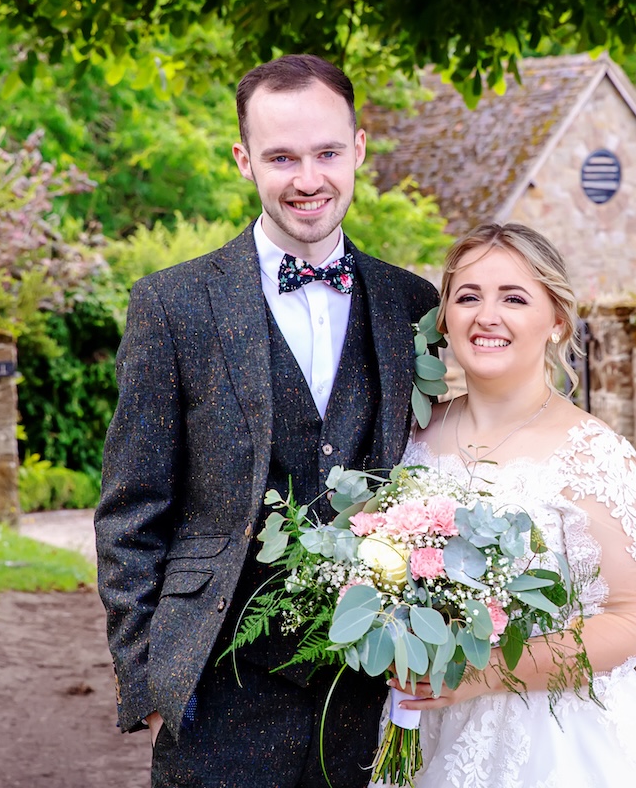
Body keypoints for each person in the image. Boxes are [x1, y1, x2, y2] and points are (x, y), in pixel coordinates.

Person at [94, 53, 438, 788]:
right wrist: (150, 683)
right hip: (216, 687)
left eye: (326, 153)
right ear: (244, 160)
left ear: (360, 150)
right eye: (282, 157)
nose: (307, 179)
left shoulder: (410, 304)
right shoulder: (172, 305)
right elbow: (131, 509)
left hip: (368, 689)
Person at [387, 222, 636, 787]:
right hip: (414, 727)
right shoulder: (408, 439)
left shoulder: (594, 455)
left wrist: (484, 672)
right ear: (444, 317)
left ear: (556, 323)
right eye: (468, 296)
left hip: (551, 737)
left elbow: (629, 621)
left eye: (514, 298)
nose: (487, 316)